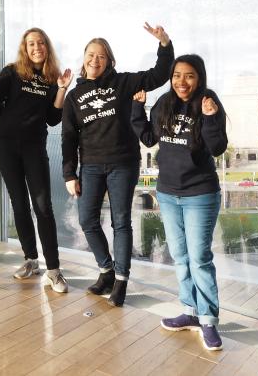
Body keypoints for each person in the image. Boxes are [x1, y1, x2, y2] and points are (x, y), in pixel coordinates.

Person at [62, 24, 173, 307]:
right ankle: (106, 270)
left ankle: (121, 280)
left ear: (109, 61)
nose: (94, 60)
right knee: (87, 220)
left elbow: (158, 75)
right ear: (83, 59)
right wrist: (68, 173)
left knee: (121, 222)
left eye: (101, 56)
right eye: (90, 55)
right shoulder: (74, 97)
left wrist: (164, 43)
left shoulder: (123, 83)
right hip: (90, 166)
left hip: (122, 163)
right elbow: (68, 137)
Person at [130, 54, 227, 351]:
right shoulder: (164, 104)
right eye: (177, 76)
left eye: (189, 76)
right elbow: (148, 138)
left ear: (200, 78)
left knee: (199, 258)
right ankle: (190, 311)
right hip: (169, 194)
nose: (182, 82)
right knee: (181, 256)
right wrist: (137, 107)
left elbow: (217, 147)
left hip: (200, 194)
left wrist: (210, 118)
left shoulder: (208, 102)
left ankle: (208, 320)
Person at [0, 28, 72, 293]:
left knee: (43, 206)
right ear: (25, 47)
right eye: (31, 43)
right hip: (6, 145)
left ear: (47, 47)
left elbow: (53, 118)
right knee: (18, 204)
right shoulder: (12, 72)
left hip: (34, 146)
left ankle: (54, 270)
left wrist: (62, 89)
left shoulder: (52, 77)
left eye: (41, 42)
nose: (36, 47)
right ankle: (30, 259)